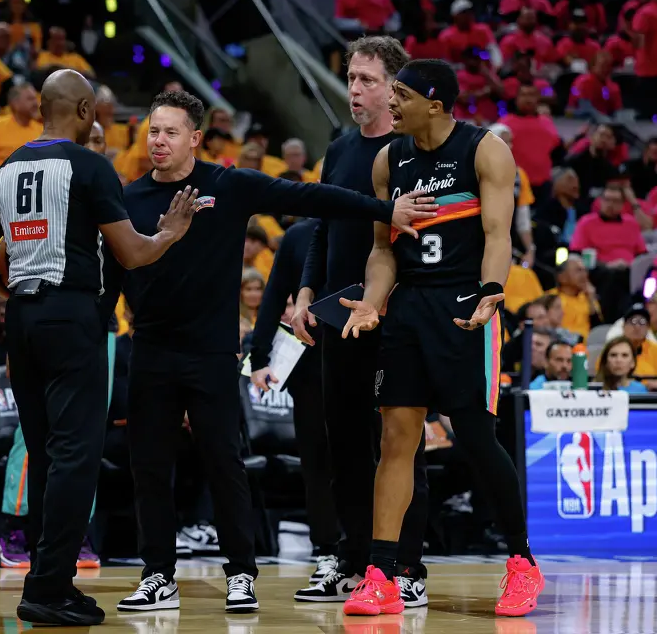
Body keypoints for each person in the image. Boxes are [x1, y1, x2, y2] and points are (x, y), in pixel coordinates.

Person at [108, 88, 436, 615]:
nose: (159, 141)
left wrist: (384, 209)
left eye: (171, 132)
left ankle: (241, 573)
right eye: (153, 131)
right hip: (150, 349)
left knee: (224, 463)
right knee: (148, 466)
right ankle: (157, 575)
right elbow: (113, 268)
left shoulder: (227, 184)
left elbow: (310, 199)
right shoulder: (129, 198)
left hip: (213, 353)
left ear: (196, 138)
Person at [0, 69, 200, 627]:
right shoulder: (91, 166)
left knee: (46, 455)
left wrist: (15, 289)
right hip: (73, 318)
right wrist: (170, 233)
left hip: (22, 319)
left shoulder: (7, 166)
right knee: (75, 457)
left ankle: (51, 581)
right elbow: (133, 254)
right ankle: (46, 585)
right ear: (87, 110)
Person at [340, 59, 544, 617]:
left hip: (465, 305)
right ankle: (381, 575)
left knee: (477, 439)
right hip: (408, 308)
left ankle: (522, 564)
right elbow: (383, 249)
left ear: (435, 101)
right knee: (398, 441)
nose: (392, 103)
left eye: (400, 94)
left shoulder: (485, 149)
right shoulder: (389, 159)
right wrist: (373, 302)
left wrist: (491, 289)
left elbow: (498, 233)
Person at [291, 35, 430, 606]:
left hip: (397, 314)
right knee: (342, 441)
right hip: (340, 312)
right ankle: (353, 560)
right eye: (351, 78)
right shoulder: (340, 150)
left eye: (367, 80)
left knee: (401, 442)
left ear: (394, 88)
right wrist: (304, 292)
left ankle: (407, 565)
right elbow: (322, 228)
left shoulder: (417, 152)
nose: (354, 89)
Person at [248, 217, 342, 586]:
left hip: (365, 359)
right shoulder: (299, 236)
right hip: (309, 362)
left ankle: (374, 554)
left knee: (365, 460)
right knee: (317, 463)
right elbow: (274, 294)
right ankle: (328, 552)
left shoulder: (370, 227)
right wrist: (258, 357)